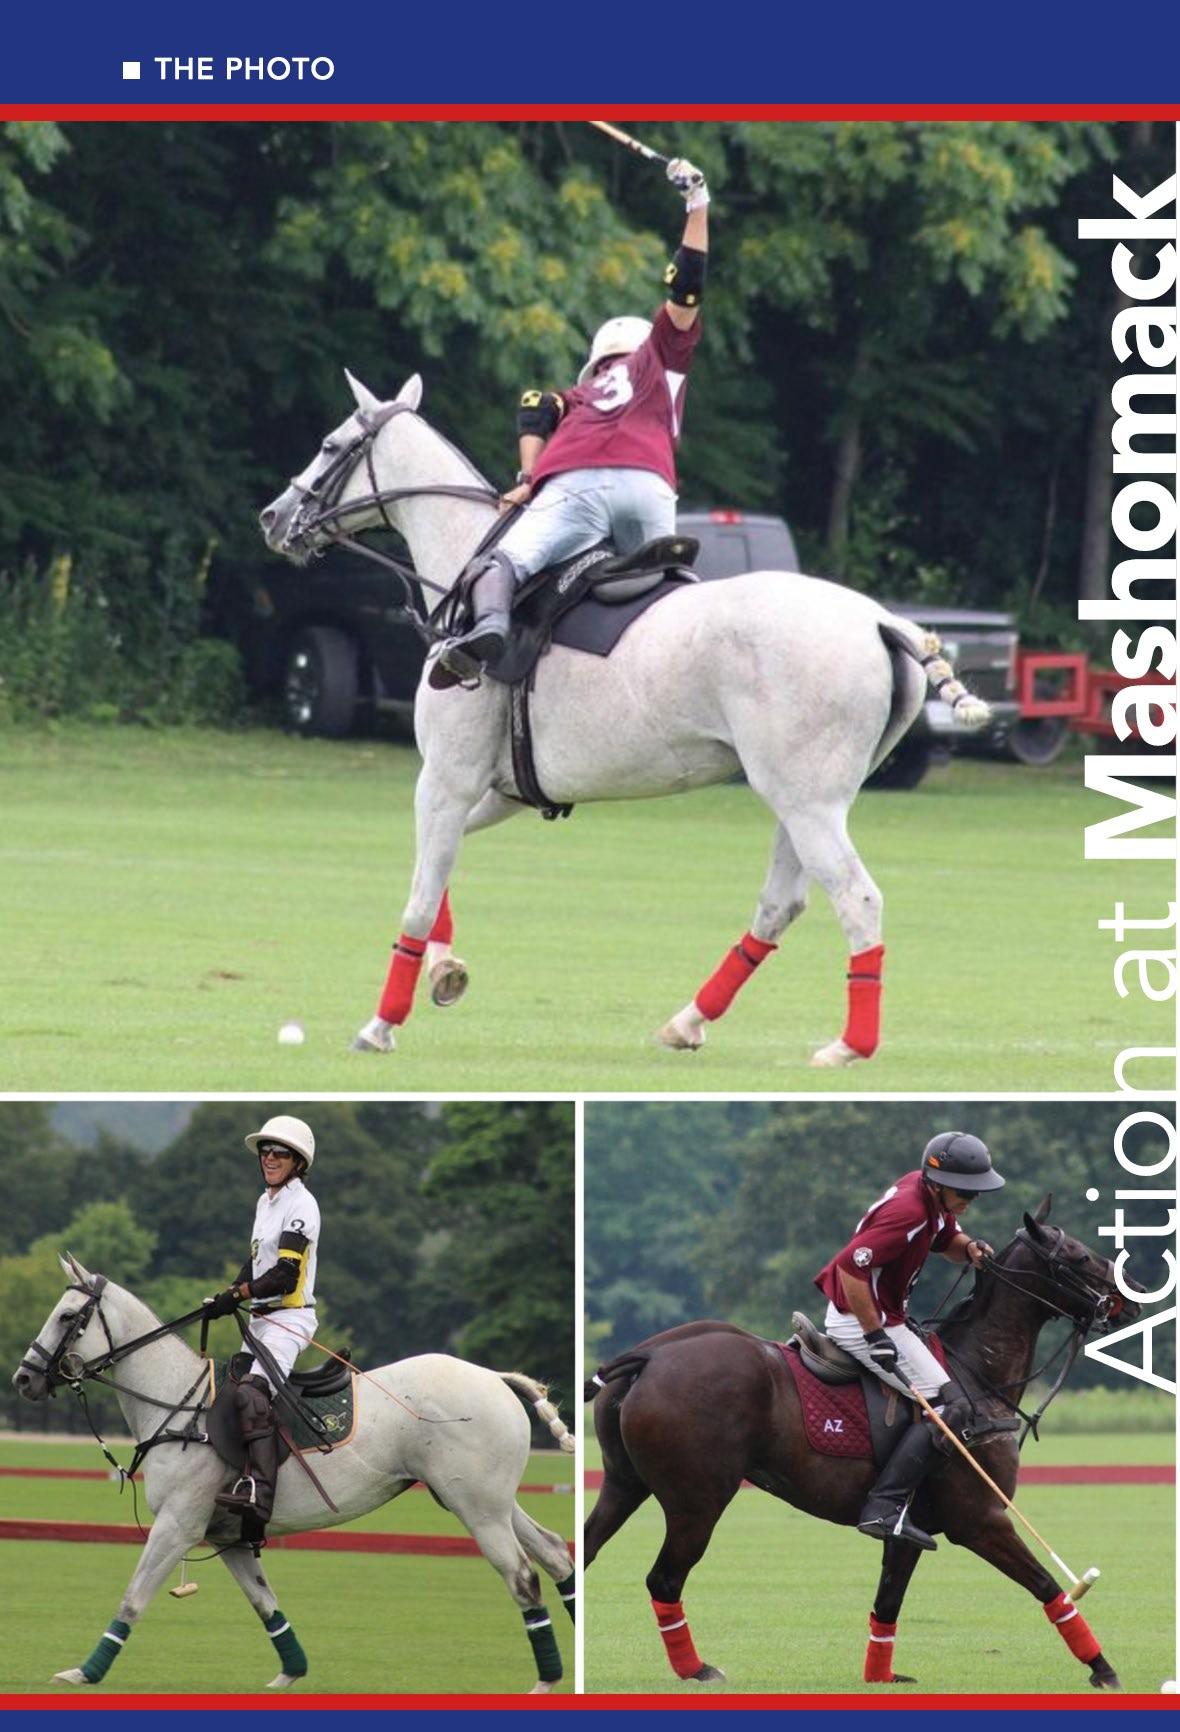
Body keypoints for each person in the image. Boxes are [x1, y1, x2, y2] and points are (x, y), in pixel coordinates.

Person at [430, 154, 710, 688]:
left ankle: (487, 629)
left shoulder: (580, 392)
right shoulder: (661, 356)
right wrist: (697, 203)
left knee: (501, 562)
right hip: (648, 484)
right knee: (673, 595)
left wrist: (528, 479)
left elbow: (534, 403)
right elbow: (685, 289)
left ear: (596, 359)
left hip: (575, 486)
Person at [813, 1131, 1005, 1550]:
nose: (971, 1198)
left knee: (948, 1400)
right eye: (965, 1191)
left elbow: (945, 1241)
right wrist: (874, 1334)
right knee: (949, 1407)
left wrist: (969, 1247)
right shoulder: (908, 1210)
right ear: (938, 1184)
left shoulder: (930, 1199)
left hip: (887, 1315)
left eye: (976, 1191)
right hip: (860, 1318)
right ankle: (883, 1507)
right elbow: (850, 1267)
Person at [200, 1113, 321, 1524]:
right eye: (265, 1151)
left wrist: (238, 1295)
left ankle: (260, 1495)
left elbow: (285, 1274)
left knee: (252, 1395)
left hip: (289, 1320)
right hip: (259, 1322)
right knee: (228, 1392)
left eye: (280, 1153)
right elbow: (256, 1263)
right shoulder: (264, 1202)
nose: (269, 1157)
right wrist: (228, 1294)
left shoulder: (302, 1205)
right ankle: (231, 1477)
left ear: (298, 1162)